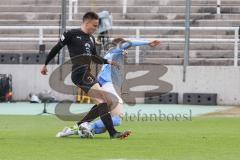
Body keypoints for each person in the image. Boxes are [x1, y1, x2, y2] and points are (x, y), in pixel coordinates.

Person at [41, 11, 131, 139]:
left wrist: (108, 61)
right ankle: (113, 133)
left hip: (86, 73)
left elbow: (95, 57)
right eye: (94, 25)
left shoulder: (91, 38)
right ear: (87, 22)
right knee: (105, 100)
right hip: (79, 73)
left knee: (105, 101)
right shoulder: (71, 34)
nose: (96, 29)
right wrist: (45, 64)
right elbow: (57, 48)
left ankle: (79, 125)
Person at [56, 37, 160, 138]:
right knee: (117, 119)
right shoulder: (116, 50)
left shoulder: (111, 55)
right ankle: (85, 126)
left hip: (107, 85)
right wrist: (148, 42)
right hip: (108, 86)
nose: (126, 53)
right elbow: (130, 42)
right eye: (125, 50)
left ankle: (76, 129)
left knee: (104, 120)